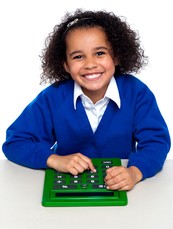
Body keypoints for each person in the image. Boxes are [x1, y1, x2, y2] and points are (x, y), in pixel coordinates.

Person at [2, 9, 171, 191]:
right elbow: (16, 141)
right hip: (68, 186)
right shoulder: (53, 97)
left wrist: (135, 172)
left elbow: (156, 142)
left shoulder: (136, 93)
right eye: (78, 56)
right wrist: (54, 160)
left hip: (122, 192)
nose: (90, 64)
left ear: (116, 56)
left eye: (100, 53)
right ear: (66, 64)